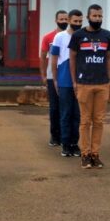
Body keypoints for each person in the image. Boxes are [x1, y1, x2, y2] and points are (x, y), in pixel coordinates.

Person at [69, 4, 110, 169]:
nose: (97, 19)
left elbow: (109, 59)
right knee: (85, 121)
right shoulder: (78, 35)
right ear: (88, 17)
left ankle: (95, 154)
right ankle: (85, 154)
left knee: (99, 121)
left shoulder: (107, 35)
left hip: (102, 83)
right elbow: (72, 58)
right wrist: (74, 81)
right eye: (94, 16)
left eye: (100, 16)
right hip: (84, 84)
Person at [51, 10, 83, 157]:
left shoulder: (82, 36)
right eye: (75, 21)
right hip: (64, 80)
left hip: (80, 81)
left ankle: (74, 143)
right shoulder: (59, 37)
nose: (78, 24)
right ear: (69, 20)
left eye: (80, 21)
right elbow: (54, 59)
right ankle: (65, 144)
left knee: (77, 114)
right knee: (65, 113)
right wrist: (55, 79)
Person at [39, 10, 70, 147]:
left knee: (67, 108)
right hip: (52, 77)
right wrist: (44, 75)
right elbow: (43, 57)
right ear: (56, 20)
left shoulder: (71, 36)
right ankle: (55, 136)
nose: (63, 21)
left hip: (66, 77)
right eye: (61, 19)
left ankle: (65, 136)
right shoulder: (48, 37)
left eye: (65, 19)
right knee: (54, 107)